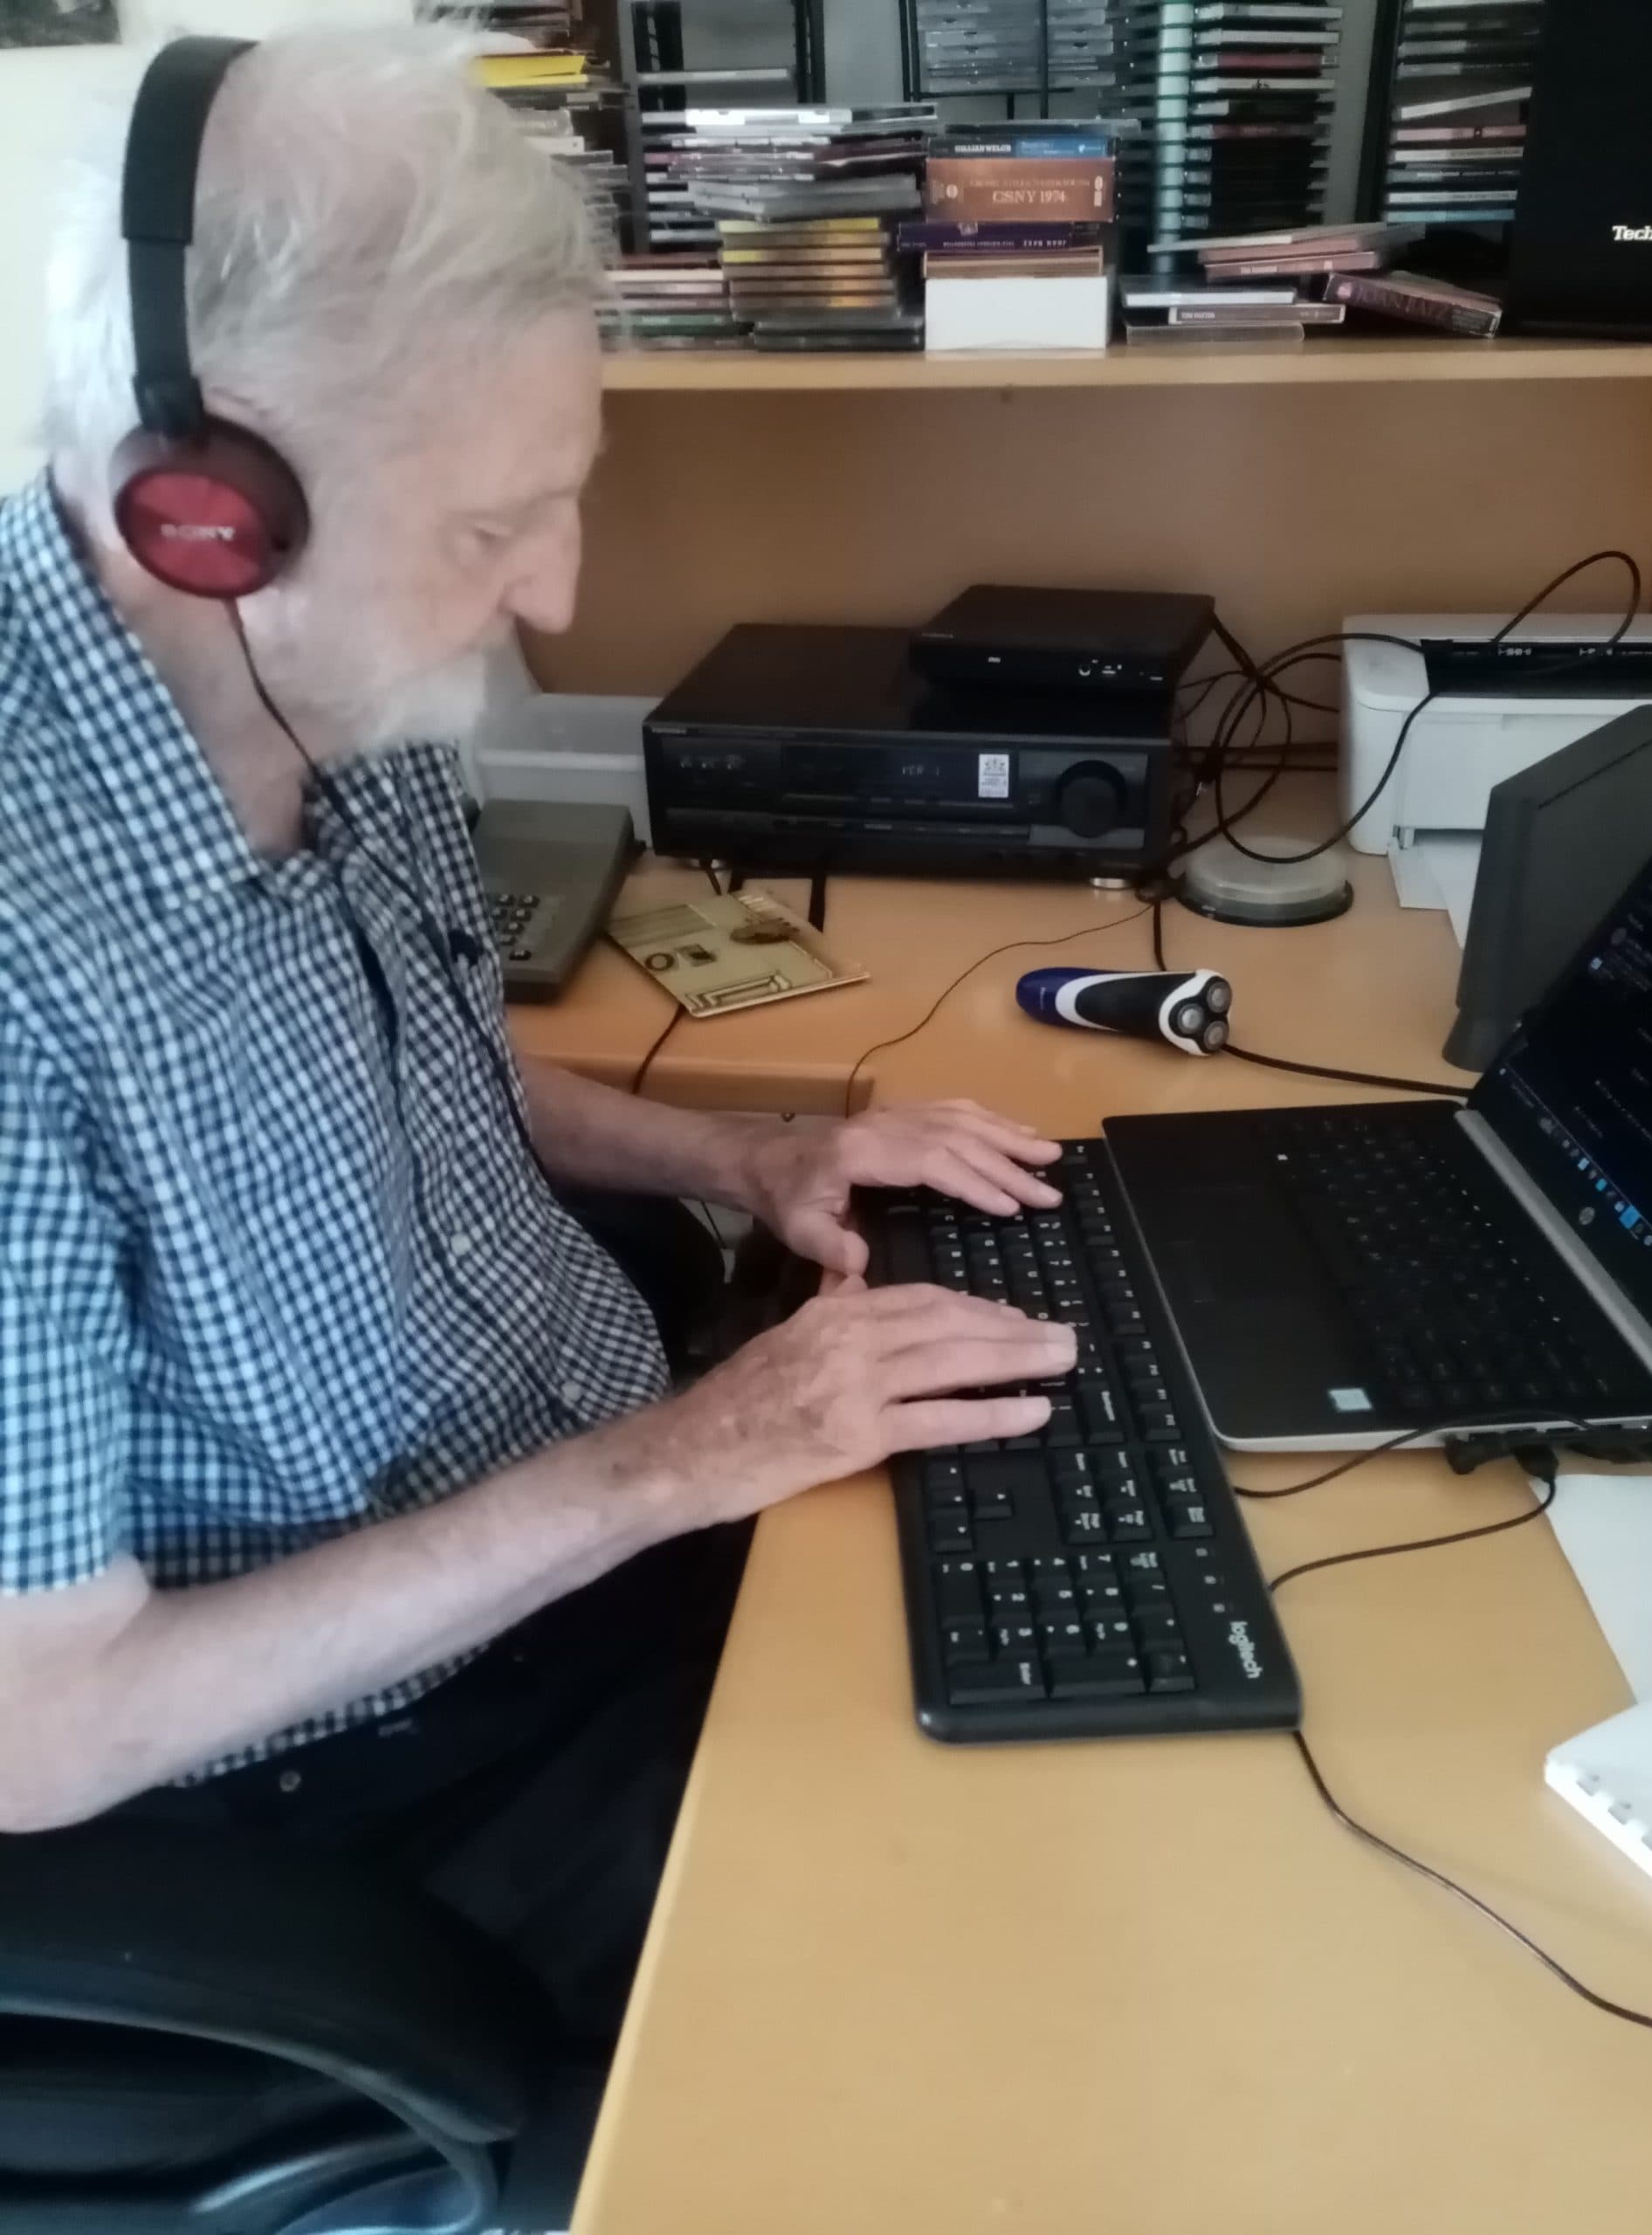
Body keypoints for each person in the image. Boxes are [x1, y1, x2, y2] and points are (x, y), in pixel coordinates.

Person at [0, 26, 1073, 2057]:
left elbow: (426, 1086)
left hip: (598, 1490)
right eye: (497, 527)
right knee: (1004, 1970)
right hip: (359, 1772)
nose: (555, 591)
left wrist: (746, 1161)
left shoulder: (329, 679)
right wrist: (693, 1458)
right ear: (204, 508)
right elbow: (40, 1727)